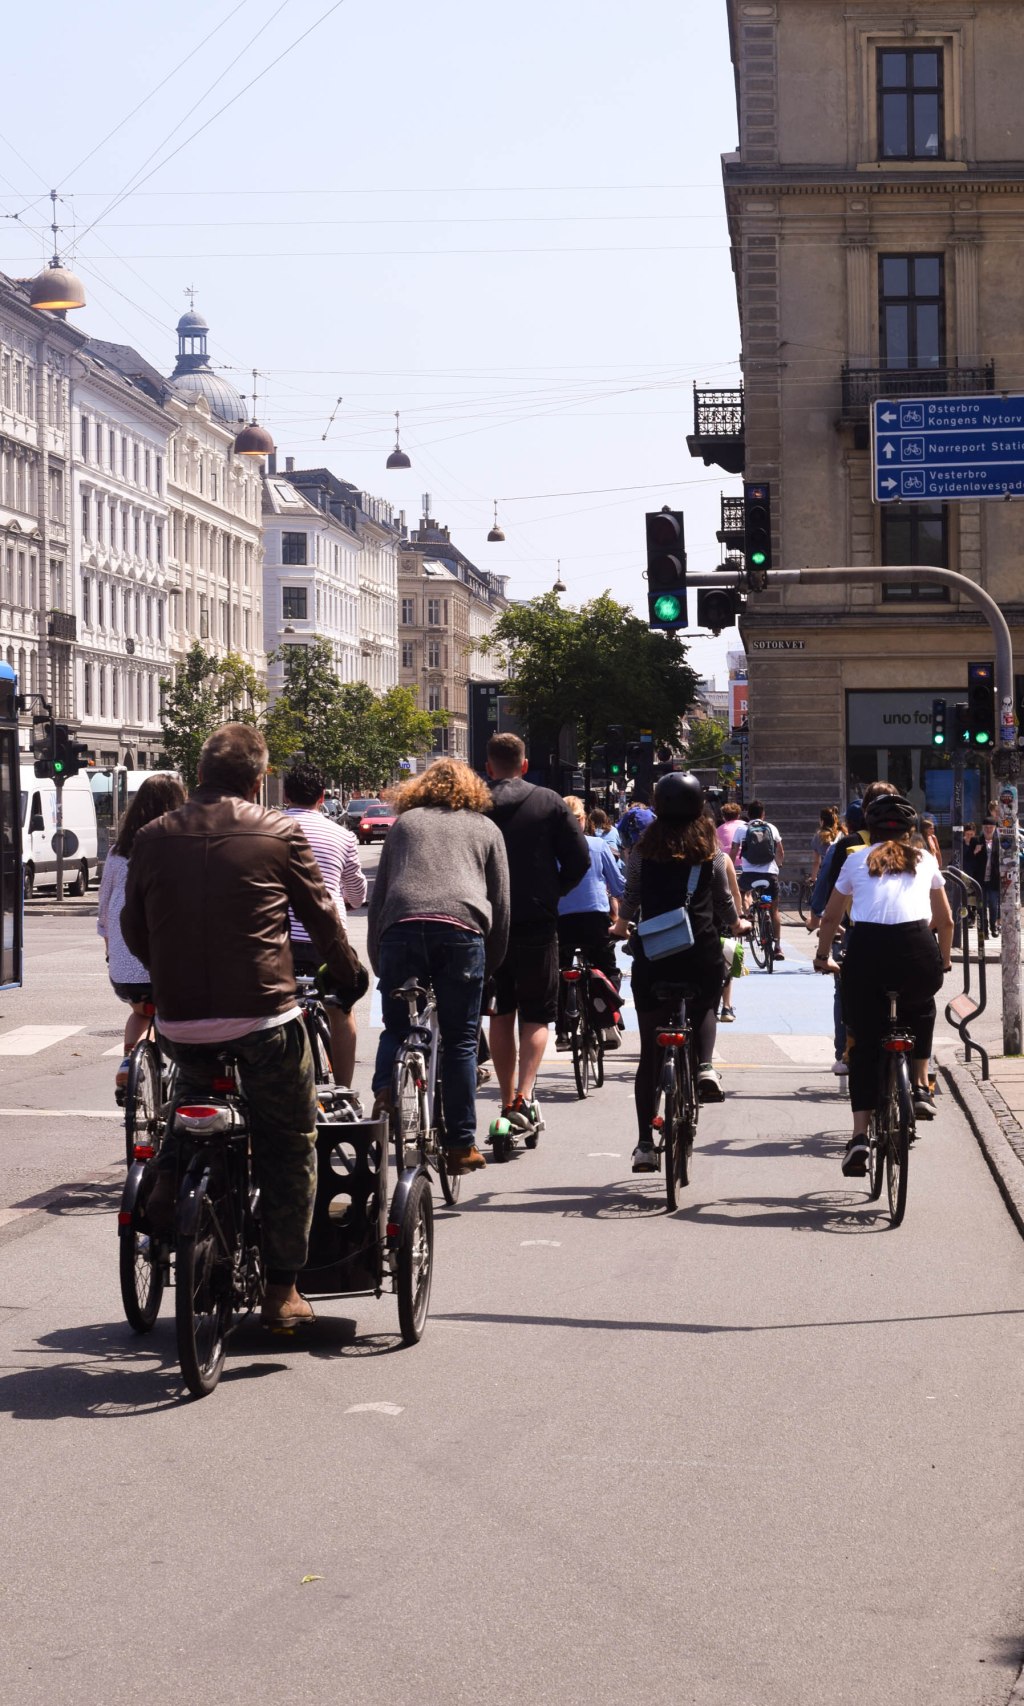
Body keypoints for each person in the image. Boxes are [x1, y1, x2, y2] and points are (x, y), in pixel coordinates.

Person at [122, 723, 366, 1329]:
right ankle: (282, 1290)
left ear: (200, 773)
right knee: (291, 1143)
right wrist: (350, 975)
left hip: (180, 1021)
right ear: (259, 781)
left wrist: (165, 978)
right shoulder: (279, 832)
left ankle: (169, 1178)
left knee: (189, 1100)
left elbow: (133, 925)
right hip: (264, 1019)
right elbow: (323, 918)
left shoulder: (153, 835)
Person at [367, 758, 509, 1175]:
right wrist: (490, 963)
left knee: (397, 1028)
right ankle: (460, 1145)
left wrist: (379, 957)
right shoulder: (486, 828)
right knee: (461, 1042)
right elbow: (501, 903)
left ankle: (385, 1090)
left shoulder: (405, 825)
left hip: (401, 929)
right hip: (461, 931)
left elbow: (380, 895)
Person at [814, 792, 954, 1178]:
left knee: (863, 1044)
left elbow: (830, 918)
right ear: (910, 831)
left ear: (870, 829)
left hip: (867, 953)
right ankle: (921, 1086)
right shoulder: (925, 859)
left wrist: (823, 956)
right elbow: (945, 921)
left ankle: (860, 1136)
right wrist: (942, 959)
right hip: (916, 949)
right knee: (921, 1006)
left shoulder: (855, 859)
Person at [612, 771, 743, 1173]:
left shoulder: (642, 852)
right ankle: (704, 1066)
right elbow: (723, 901)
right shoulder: (711, 853)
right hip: (699, 950)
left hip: (654, 955)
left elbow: (631, 897)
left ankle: (644, 1144)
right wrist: (736, 923)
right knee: (705, 1004)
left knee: (650, 1057)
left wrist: (621, 925)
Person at [486, 732, 590, 1135]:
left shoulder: (474, 803)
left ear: (489, 766)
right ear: (525, 765)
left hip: (489, 921)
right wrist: (553, 891)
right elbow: (579, 860)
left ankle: (504, 1096)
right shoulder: (549, 802)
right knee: (536, 1014)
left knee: (500, 1012)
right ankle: (524, 1097)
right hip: (536, 919)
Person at [96, 774, 186, 1092]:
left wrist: (112, 953)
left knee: (141, 1011)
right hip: (164, 963)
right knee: (168, 1011)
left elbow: (104, 912)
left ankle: (128, 1063)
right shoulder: (178, 849)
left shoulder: (117, 852)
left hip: (123, 970)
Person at [282, 760, 367, 1088]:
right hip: (327, 944)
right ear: (322, 796)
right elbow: (356, 893)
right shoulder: (343, 836)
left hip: (279, 945)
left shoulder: (269, 829)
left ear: (285, 795)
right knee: (341, 1009)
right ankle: (344, 1089)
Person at [556, 796, 625, 1048]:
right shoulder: (598, 845)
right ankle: (608, 1018)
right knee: (607, 968)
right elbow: (618, 886)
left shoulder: (551, 846)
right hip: (594, 916)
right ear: (583, 820)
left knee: (560, 971)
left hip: (562, 919)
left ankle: (563, 1031)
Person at [733, 799, 786, 959]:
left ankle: (747, 913)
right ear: (763, 814)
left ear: (748, 814)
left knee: (740, 892)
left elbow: (734, 851)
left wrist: (730, 869)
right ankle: (778, 947)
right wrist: (779, 864)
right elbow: (780, 852)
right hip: (769, 875)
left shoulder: (742, 829)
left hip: (749, 875)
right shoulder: (772, 828)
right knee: (773, 909)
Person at [966, 817, 1001, 934]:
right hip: (980, 880)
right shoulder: (975, 840)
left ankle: (993, 926)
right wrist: (975, 852)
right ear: (982, 828)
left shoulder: (998, 841)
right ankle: (983, 928)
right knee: (982, 905)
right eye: (986, 827)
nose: (988, 830)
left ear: (994, 828)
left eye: (991, 827)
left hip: (993, 879)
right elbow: (968, 859)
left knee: (993, 904)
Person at [617, 789, 654, 857]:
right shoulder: (650, 812)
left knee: (622, 833)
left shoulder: (632, 811)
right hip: (652, 840)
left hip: (637, 842)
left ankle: (627, 853)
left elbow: (619, 827)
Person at [810, 805, 840, 879]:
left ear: (822, 821)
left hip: (827, 875)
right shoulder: (841, 833)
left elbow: (816, 862)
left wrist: (813, 879)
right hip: (842, 874)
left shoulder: (818, 837)